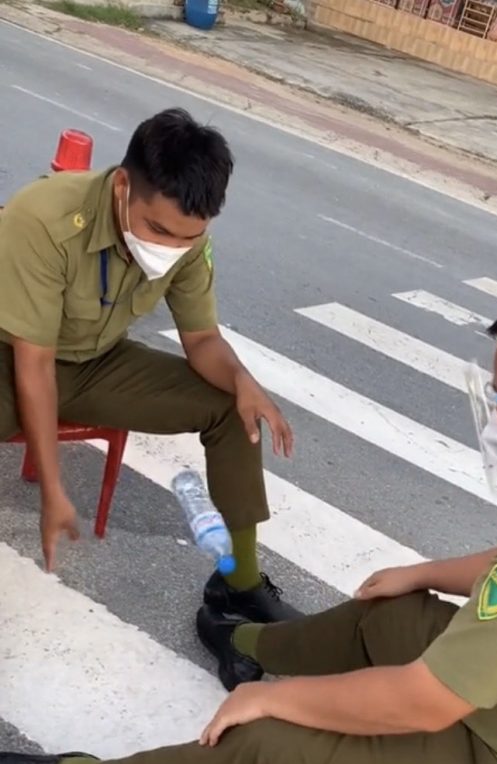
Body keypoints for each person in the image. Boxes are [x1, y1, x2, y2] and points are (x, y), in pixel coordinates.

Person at [2, 279, 497, 764]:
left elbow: (426, 700)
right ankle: (244, 644)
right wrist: (423, 574)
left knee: (271, 745)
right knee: (387, 616)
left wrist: (273, 698)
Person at [0, 107, 297, 623]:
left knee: (233, 408)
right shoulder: (45, 219)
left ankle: (240, 584)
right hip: (12, 357)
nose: (170, 248)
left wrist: (243, 382)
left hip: (95, 363)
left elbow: (202, 339)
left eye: (188, 238)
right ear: (122, 186)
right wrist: (53, 488)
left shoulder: (188, 239)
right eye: (157, 229)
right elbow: (35, 366)